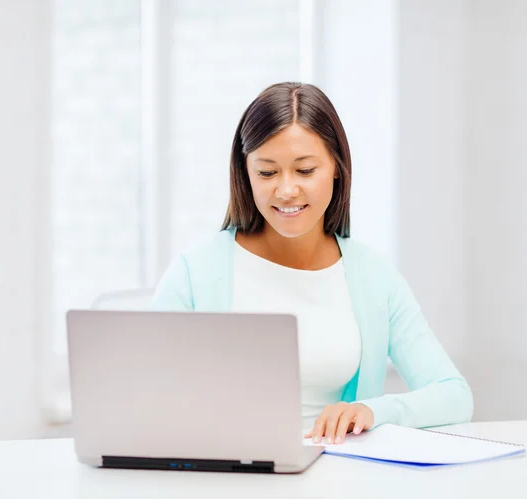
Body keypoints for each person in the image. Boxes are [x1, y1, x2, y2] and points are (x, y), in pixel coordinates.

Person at [151, 82, 473, 445]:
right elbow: (148, 399)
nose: (286, 190)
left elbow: (453, 396)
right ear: (245, 173)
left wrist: (373, 412)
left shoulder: (374, 277)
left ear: (336, 167)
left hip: (338, 477)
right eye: (267, 173)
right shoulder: (194, 273)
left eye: (305, 171)